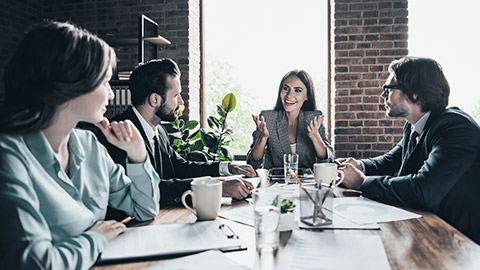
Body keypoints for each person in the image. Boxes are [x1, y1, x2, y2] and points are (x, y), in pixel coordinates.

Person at [0, 21, 161, 269]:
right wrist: (96, 238)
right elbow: (36, 263)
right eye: (104, 81)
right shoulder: (9, 157)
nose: (110, 94)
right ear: (68, 86)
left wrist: (138, 155)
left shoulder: (90, 144)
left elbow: (145, 209)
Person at [337, 56, 480, 244]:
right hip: (426, 227)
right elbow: (390, 160)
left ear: (414, 93)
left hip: (459, 240)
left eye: (388, 89)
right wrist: (359, 165)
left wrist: (361, 182)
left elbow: (424, 190)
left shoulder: (455, 127)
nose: (383, 95)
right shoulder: (414, 126)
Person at [97, 58, 256, 210]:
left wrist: (227, 167)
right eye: (176, 95)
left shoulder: (158, 130)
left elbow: (180, 167)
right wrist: (215, 186)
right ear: (155, 99)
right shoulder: (117, 134)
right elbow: (149, 188)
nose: (181, 102)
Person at [246, 69, 334, 169]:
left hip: (307, 183)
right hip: (275, 182)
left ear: (307, 96)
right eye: (286, 88)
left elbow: (329, 161)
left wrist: (315, 137)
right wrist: (262, 137)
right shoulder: (268, 118)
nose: (289, 95)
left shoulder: (313, 118)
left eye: (297, 90)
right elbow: (252, 164)